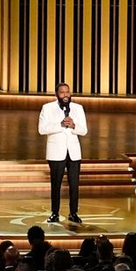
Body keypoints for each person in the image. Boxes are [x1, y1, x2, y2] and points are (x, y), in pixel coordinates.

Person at [37, 81, 87, 224]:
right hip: (56, 152)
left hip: (73, 153)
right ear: (56, 94)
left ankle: (73, 213)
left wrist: (73, 126)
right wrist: (59, 125)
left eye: (67, 92)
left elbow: (84, 130)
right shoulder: (47, 108)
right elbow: (42, 129)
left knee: (74, 185)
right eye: (62, 92)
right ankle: (55, 213)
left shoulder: (78, 108)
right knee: (56, 184)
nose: (65, 95)